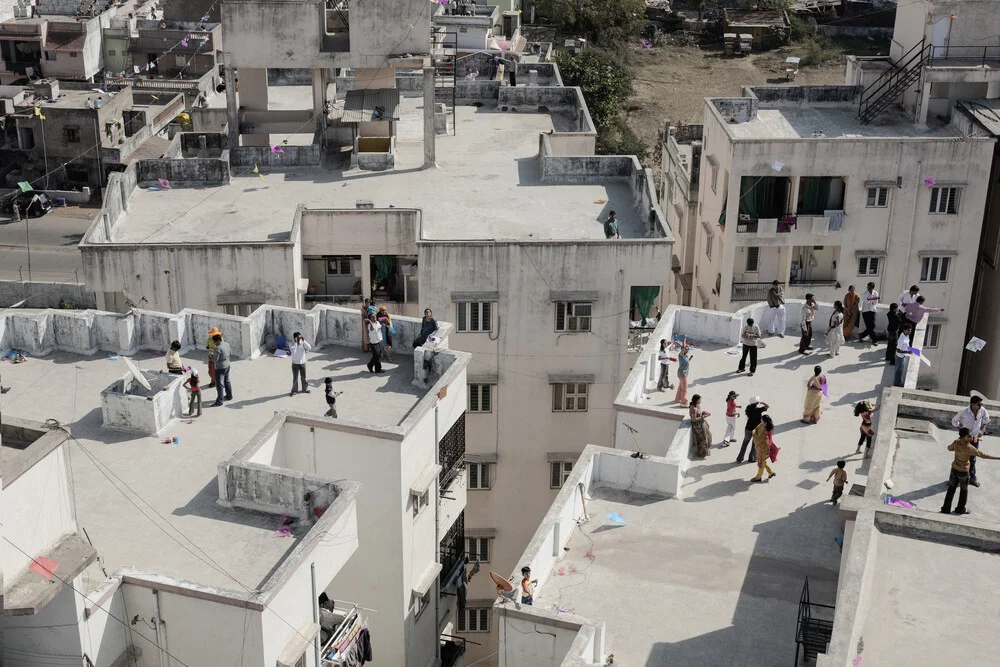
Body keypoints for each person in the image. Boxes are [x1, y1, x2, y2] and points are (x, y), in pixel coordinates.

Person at [941, 428, 999, 515]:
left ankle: (945, 509)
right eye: (969, 436)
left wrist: (957, 449)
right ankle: (960, 509)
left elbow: (949, 448)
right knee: (964, 490)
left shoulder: (956, 442)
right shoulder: (969, 448)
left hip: (954, 469)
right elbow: (984, 455)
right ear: (964, 437)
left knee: (951, 489)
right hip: (964, 471)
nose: (971, 437)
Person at [951, 396, 990, 487]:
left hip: (975, 437)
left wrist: (982, 430)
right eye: (978, 404)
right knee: (960, 458)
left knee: (972, 458)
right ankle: (954, 479)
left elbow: (986, 420)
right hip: (964, 439)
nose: (980, 406)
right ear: (972, 404)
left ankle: (972, 478)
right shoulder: (964, 411)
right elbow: (954, 421)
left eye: (981, 404)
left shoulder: (982, 410)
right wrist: (961, 430)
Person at [737, 396, 769, 464]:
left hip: (747, 429)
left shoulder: (748, 408)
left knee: (744, 444)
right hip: (756, 430)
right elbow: (767, 406)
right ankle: (751, 458)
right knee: (754, 445)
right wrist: (763, 403)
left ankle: (740, 458)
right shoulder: (758, 410)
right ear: (756, 403)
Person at [750, 414, 777, 482]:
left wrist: (753, 433)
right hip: (763, 448)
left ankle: (758, 477)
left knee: (761, 463)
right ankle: (770, 472)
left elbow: (758, 438)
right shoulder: (764, 426)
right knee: (763, 461)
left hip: (762, 449)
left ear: (765, 422)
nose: (760, 420)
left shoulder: (764, 431)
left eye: (761, 420)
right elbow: (756, 430)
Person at [211, 333, 232, 406]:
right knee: (227, 381)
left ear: (218, 341)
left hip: (220, 368)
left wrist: (211, 356)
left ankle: (220, 401)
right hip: (227, 365)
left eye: (214, 341)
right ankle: (229, 396)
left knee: (219, 385)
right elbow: (230, 352)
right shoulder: (226, 344)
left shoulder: (217, 348)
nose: (214, 343)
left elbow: (215, 360)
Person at [289, 331, 312, 396]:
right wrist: (296, 343)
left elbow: (309, 347)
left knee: (303, 377)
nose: (299, 339)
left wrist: (303, 341)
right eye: (298, 338)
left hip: (302, 363)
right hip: (295, 364)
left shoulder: (302, 343)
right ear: (294, 338)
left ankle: (305, 389)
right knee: (295, 378)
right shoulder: (291, 344)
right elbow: (293, 351)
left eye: (300, 337)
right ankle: (294, 391)